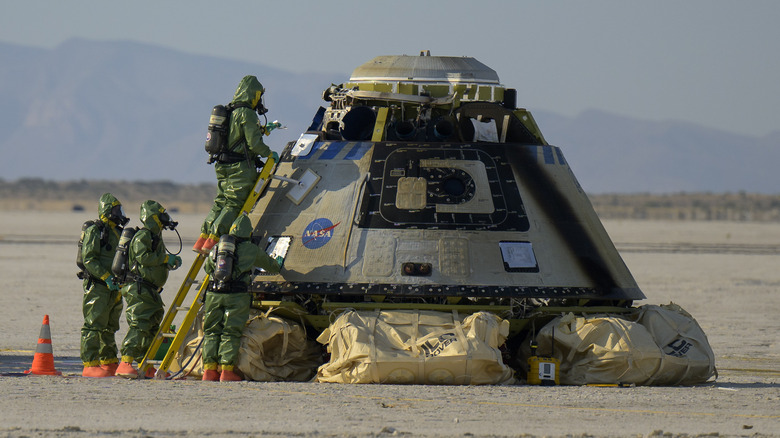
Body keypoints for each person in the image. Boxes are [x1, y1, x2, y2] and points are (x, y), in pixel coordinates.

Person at [193, 75, 279, 255]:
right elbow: (253, 144)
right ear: (253, 94)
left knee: (220, 202)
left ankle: (203, 238)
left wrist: (265, 130)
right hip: (240, 169)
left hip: (223, 165)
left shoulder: (230, 111)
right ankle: (213, 240)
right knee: (233, 204)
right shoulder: (247, 113)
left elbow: (238, 137)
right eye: (258, 96)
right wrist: (270, 155)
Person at [201, 214, 282, 382]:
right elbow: (272, 266)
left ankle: (209, 371)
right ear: (248, 232)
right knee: (230, 331)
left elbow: (207, 267)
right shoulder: (250, 249)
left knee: (211, 331)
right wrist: (278, 261)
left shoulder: (218, 247)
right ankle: (226, 371)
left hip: (213, 294)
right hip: (236, 296)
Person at [116, 200, 182, 379]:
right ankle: (126, 362)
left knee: (152, 326)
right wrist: (164, 259)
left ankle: (147, 364)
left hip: (150, 289)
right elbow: (143, 257)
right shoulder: (143, 236)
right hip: (139, 288)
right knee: (140, 323)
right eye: (160, 215)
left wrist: (168, 263)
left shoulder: (155, 238)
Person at [79, 193, 129, 377]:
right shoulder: (95, 231)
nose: (119, 213)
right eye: (116, 210)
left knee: (110, 325)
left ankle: (108, 361)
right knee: (94, 323)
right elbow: (89, 259)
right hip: (98, 286)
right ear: (107, 211)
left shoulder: (116, 232)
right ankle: (90, 364)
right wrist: (106, 277)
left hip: (114, 287)